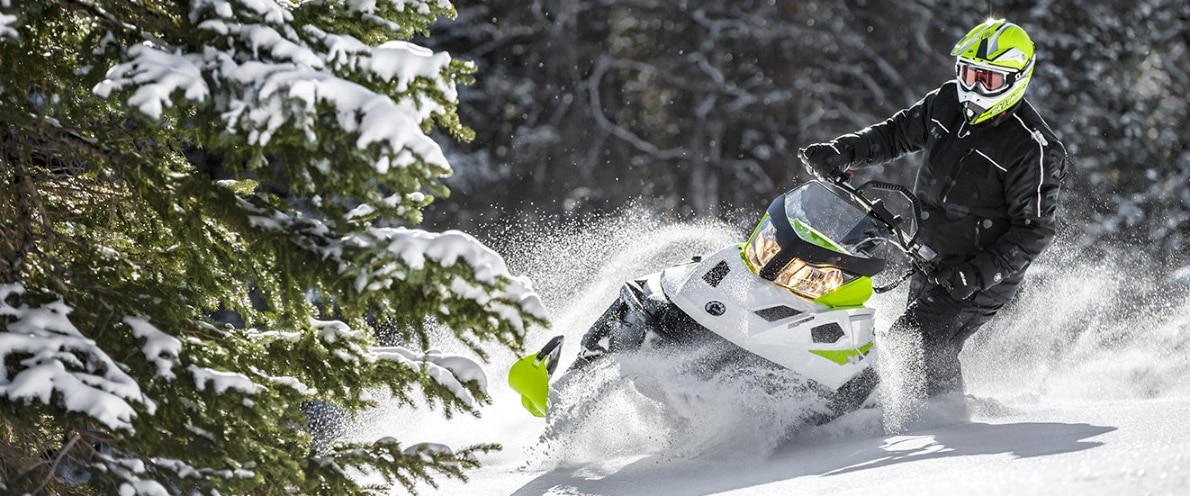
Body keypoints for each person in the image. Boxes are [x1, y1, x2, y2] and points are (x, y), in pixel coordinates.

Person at [800, 19, 1068, 402]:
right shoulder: (947, 102)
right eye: (969, 73)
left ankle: (935, 428)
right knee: (923, 354)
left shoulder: (1033, 148)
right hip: (929, 253)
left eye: (988, 80)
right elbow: (894, 134)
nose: (974, 88)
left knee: (909, 344)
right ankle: (940, 416)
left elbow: (1033, 231)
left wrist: (976, 275)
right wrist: (843, 152)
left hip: (980, 276)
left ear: (1016, 80)